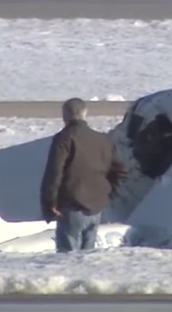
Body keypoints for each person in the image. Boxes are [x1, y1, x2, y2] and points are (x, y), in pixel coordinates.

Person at [40, 98, 127, 252]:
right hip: (96, 207)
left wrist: (50, 202)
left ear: (65, 116)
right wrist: (107, 193)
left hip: (72, 205)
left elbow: (55, 172)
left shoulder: (64, 138)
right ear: (85, 114)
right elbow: (120, 170)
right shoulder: (101, 139)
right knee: (88, 256)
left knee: (68, 256)